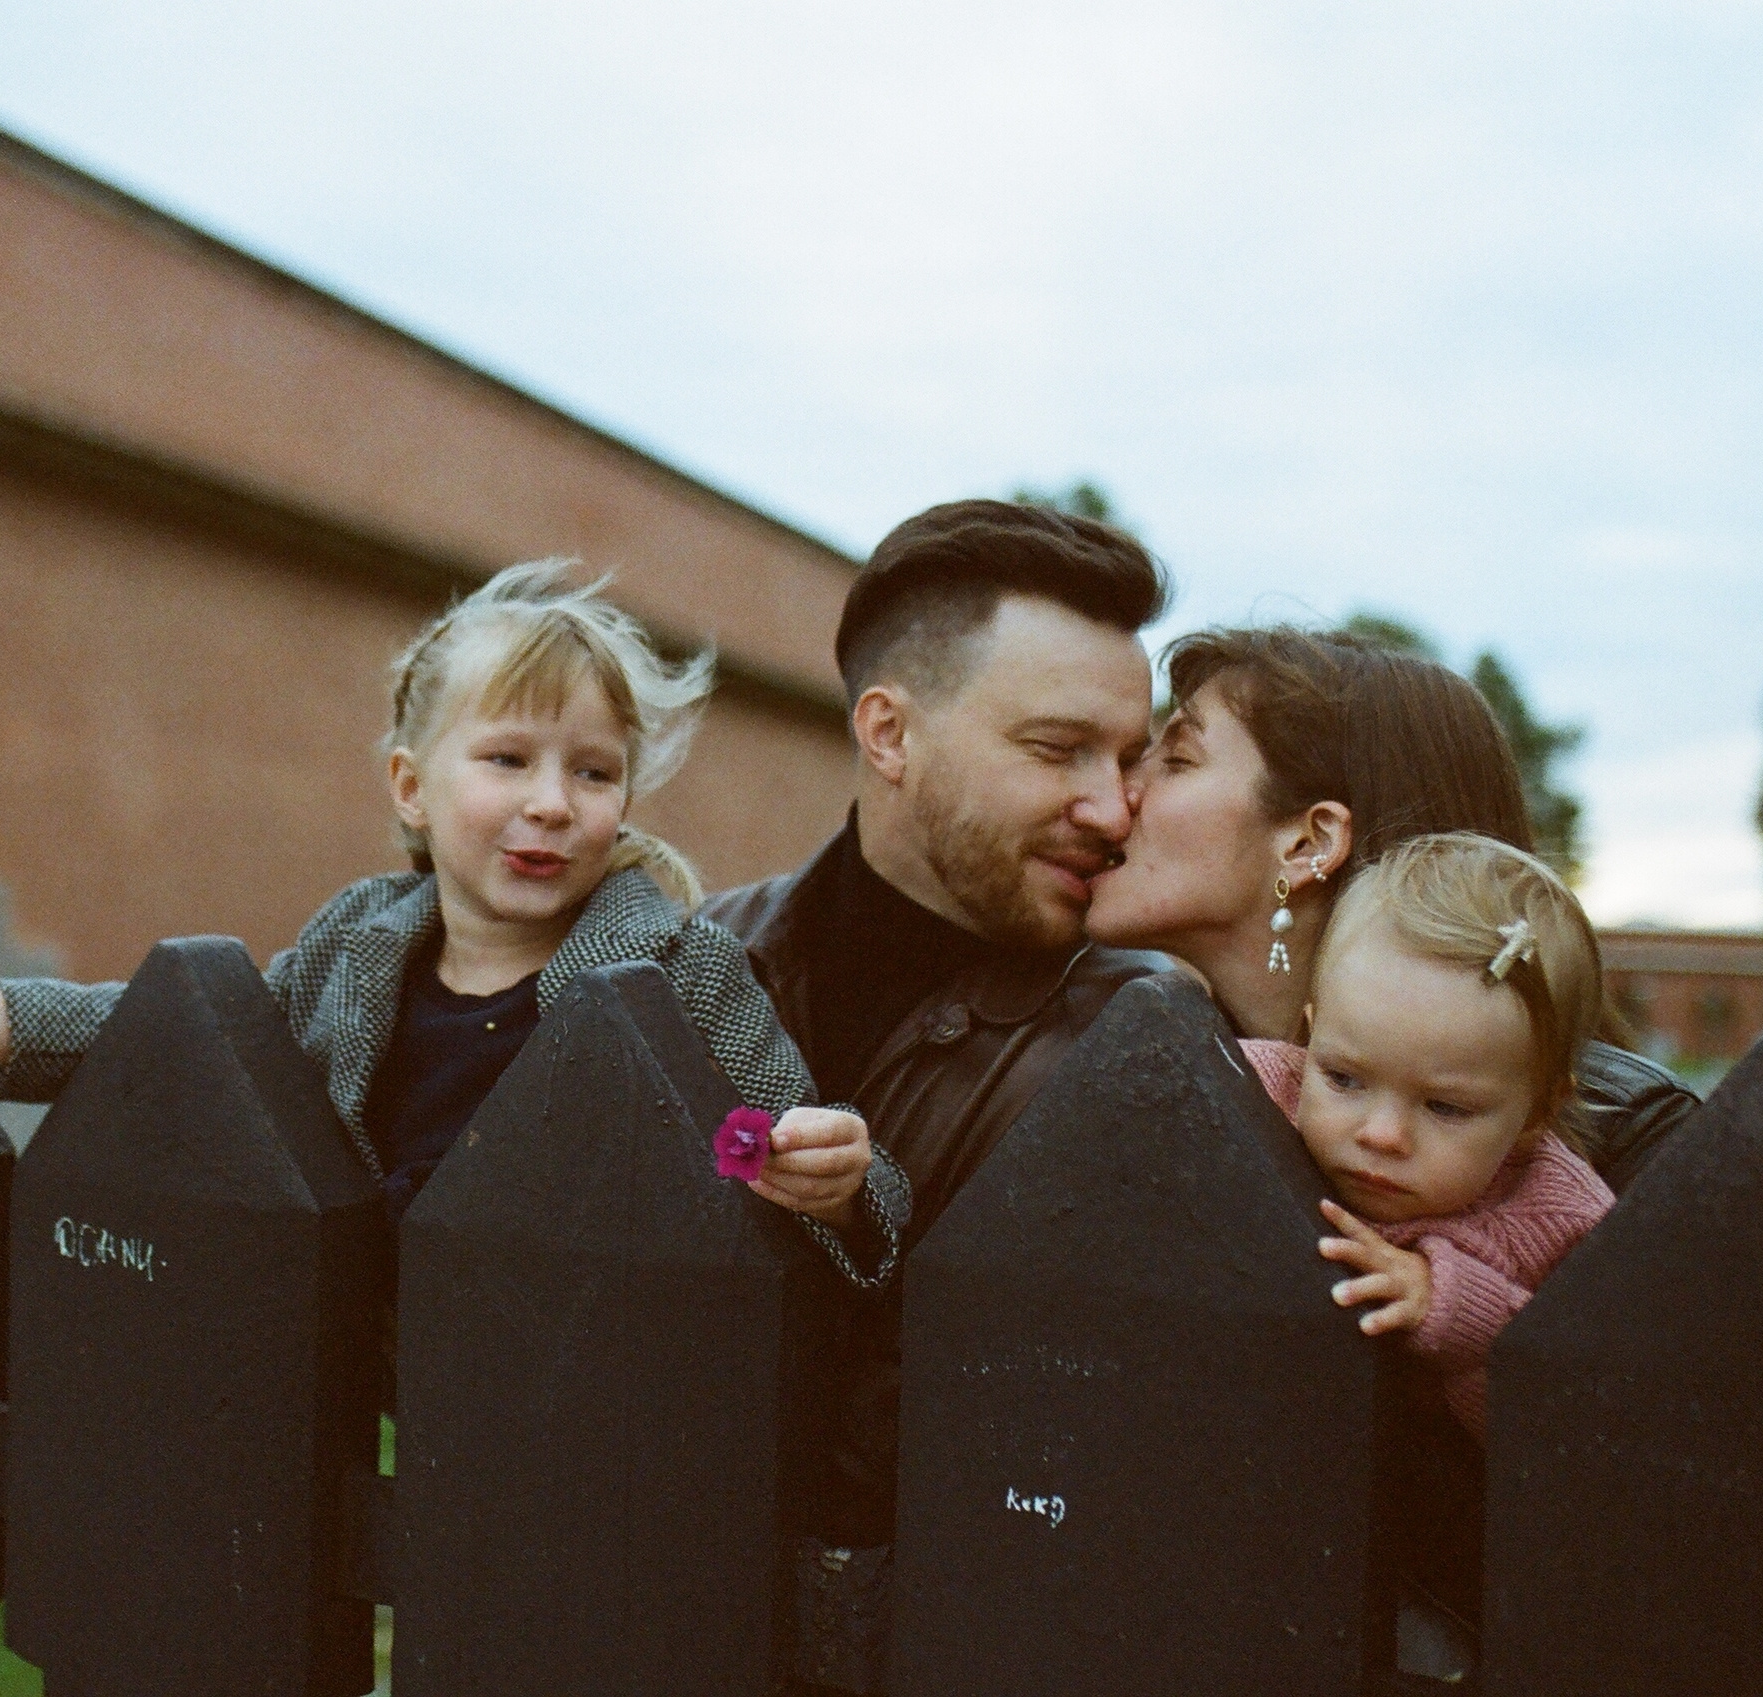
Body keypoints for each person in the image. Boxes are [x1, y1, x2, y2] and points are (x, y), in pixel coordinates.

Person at [0, 560, 902, 1287]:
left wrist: (837, 1181)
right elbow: (191, 1034)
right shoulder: (355, 949)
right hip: (383, 1386)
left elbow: (827, 1172)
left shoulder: (682, 970)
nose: (553, 802)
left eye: (594, 771)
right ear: (412, 787)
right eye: (507, 759)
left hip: (600, 1384)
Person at [698, 499, 1175, 1690]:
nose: (1114, 809)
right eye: (1059, 748)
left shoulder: (1147, 1039)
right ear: (889, 731)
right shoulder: (690, 960)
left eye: (1130, 760)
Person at [1083, 625, 1697, 1192]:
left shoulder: (1638, 1154)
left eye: (1178, 760)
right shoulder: (1145, 1069)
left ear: (1309, 845)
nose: (1120, 791)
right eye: (1344, 1080)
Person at [1236, 833, 1614, 1441]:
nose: (1382, 1135)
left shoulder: (1564, 1220)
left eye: (1445, 1107)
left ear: (1538, 1112)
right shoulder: (1244, 1095)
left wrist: (1457, 1308)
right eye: (1342, 1077)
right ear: (1310, 1036)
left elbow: (1582, 1416)